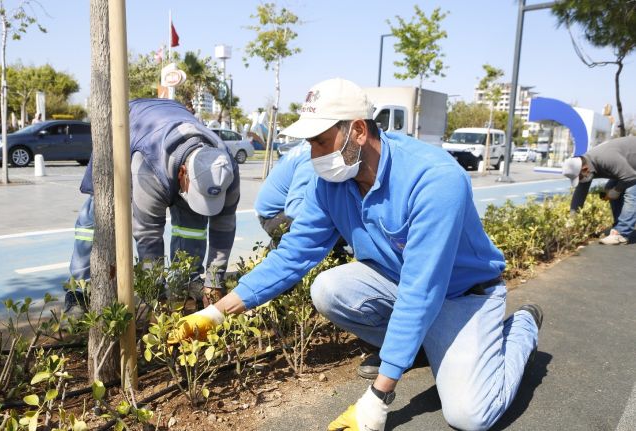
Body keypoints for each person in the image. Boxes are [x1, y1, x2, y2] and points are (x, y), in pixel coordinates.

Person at [171, 78, 542, 431]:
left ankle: (521, 326)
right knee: (329, 288)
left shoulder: (434, 179)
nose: (313, 156)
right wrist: (216, 313)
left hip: (462, 296)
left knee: (470, 415)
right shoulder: (330, 182)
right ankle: (421, 347)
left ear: (359, 132)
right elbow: (293, 256)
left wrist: (378, 398)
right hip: (398, 281)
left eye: (320, 142)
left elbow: (421, 290)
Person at [66, 98, 240, 313]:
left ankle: (185, 285)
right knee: (96, 215)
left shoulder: (226, 168)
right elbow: (148, 235)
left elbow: (224, 228)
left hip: (172, 131)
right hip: (131, 128)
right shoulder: (148, 166)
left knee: (192, 227)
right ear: (183, 173)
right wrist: (155, 293)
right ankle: (79, 291)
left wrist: (214, 281)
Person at [562, 136, 636, 245]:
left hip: (632, 170)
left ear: (585, 169)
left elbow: (631, 177)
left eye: (579, 178)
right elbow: (580, 193)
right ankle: (618, 226)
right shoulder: (585, 166)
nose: (580, 180)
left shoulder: (606, 159)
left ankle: (621, 233)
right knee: (609, 190)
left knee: (631, 193)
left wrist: (618, 189)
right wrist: (572, 219)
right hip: (628, 165)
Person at [254, 140, 315, 247]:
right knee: (329, 222)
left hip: (268, 212)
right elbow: (294, 209)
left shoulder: (304, 147)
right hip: (274, 216)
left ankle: (277, 246)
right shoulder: (311, 158)